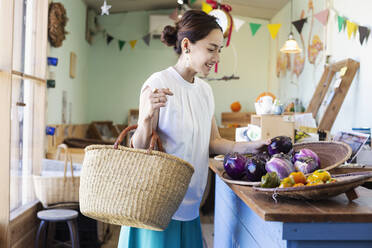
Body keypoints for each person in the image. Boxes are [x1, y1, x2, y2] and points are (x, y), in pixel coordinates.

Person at [118, 10, 268, 248]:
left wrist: (252, 145)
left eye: (220, 49)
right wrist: (146, 118)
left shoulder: (205, 91)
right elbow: (137, 149)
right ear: (187, 45)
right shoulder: (158, 83)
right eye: (211, 49)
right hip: (156, 205)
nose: (217, 57)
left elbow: (214, 142)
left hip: (190, 203)